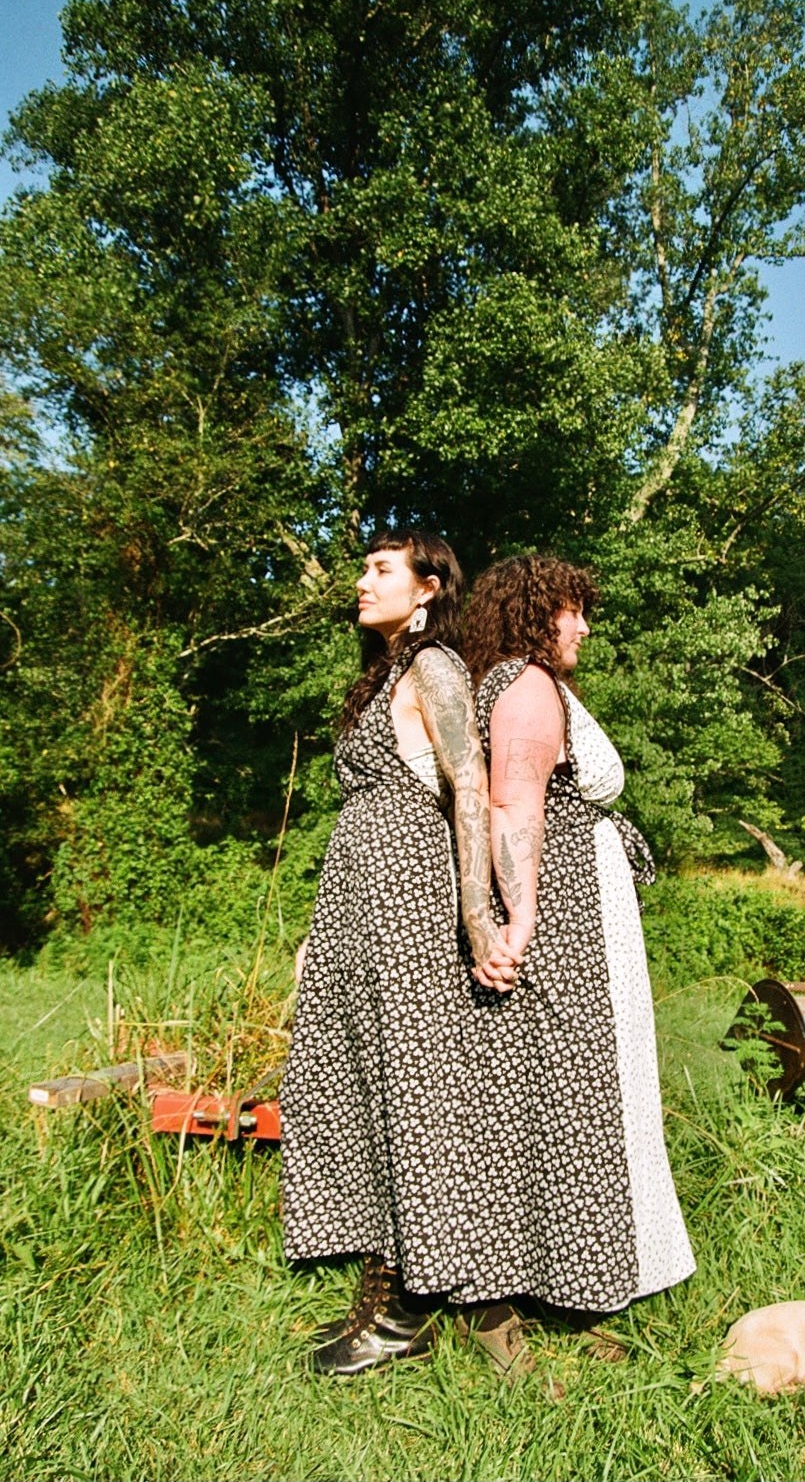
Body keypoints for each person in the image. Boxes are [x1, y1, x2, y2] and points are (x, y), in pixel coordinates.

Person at [280, 528, 518, 1378]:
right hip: (358, 911)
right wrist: (320, 936)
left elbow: (471, 789)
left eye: (379, 569)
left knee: (414, 1091)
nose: (359, 581)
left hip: (412, 907)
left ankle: (409, 1304)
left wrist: (478, 913)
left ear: (426, 588)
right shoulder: (381, 673)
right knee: (362, 1085)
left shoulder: (435, 668)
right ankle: (393, 1277)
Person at [459, 553, 696, 1358]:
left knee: (555, 1097)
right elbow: (513, 802)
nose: (584, 624)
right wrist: (518, 922)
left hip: (572, 908)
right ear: (534, 613)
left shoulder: (511, 682)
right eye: (572, 609)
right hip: (567, 918)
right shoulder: (526, 686)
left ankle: (563, 1282)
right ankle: (526, 1293)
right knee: (582, 1095)